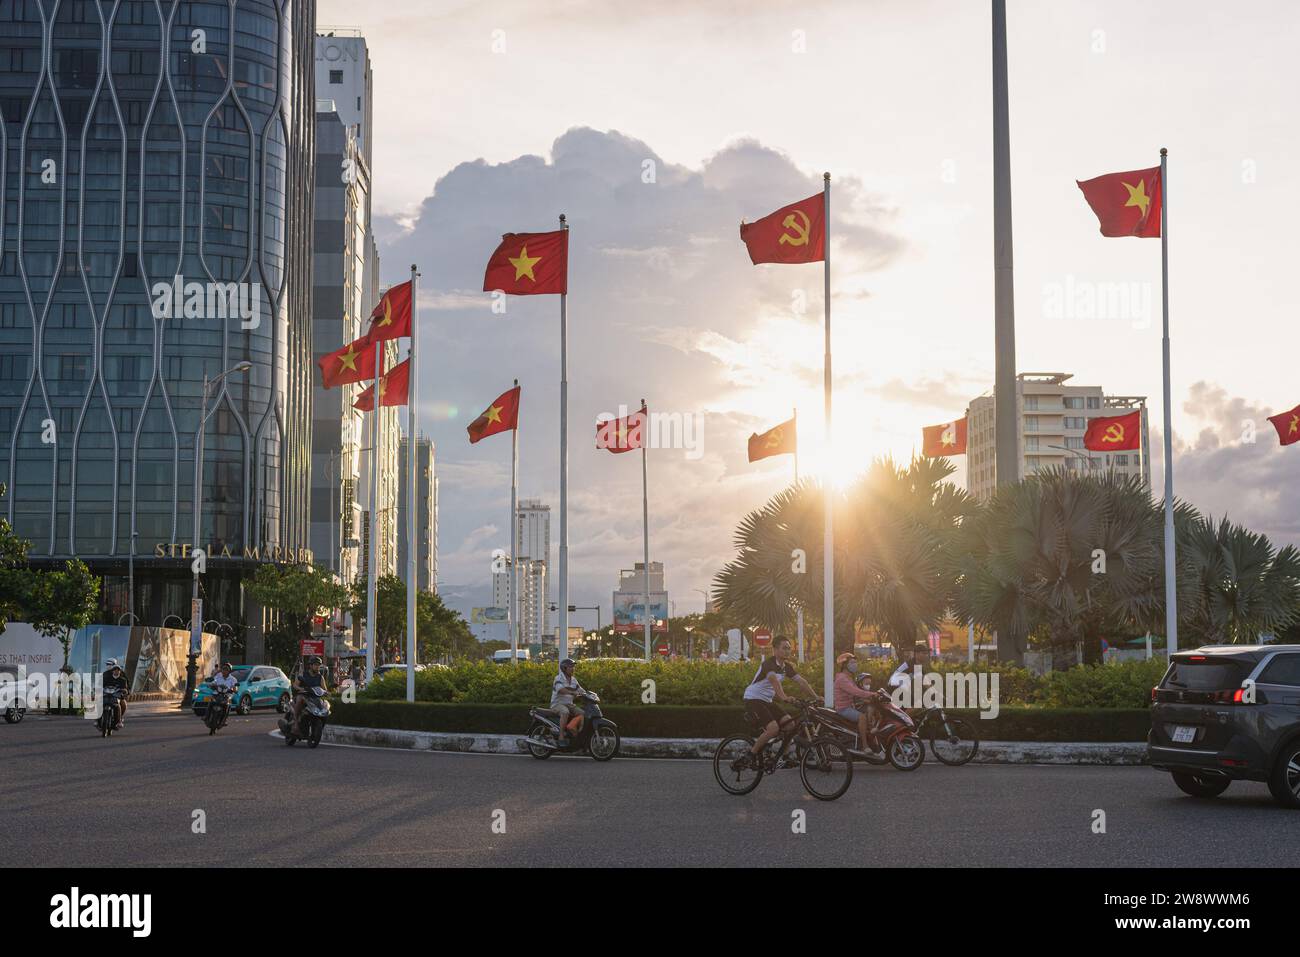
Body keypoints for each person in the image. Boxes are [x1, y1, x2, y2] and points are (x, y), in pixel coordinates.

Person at [734, 636, 819, 769]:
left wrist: (816, 696)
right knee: (773, 728)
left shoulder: (786, 667)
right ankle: (751, 755)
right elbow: (774, 680)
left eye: (789, 648)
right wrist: (784, 697)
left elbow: (801, 681)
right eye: (784, 648)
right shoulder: (769, 664)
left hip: (766, 701)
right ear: (775, 649)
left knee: (790, 724)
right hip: (753, 698)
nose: (787, 651)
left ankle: (784, 757)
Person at [833, 652, 881, 756]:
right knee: (862, 717)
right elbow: (856, 692)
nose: (855, 664)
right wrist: (872, 694)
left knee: (871, 711)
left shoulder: (848, 677)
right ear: (845, 665)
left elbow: (856, 694)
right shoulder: (842, 679)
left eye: (855, 662)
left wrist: (869, 699)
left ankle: (873, 740)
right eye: (852, 662)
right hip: (843, 709)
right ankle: (865, 746)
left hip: (850, 706)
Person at [550, 658, 585, 746]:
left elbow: (581, 690)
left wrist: (589, 694)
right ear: (564, 668)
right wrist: (572, 692)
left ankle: (574, 732)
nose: (573, 668)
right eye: (570, 667)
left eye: (573, 667)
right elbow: (561, 689)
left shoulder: (573, 680)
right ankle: (561, 737)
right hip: (557, 704)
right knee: (565, 712)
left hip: (569, 704)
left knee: (582, 713)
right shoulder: (558, 678)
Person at [291, 656, 329, 726]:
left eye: (319, 665)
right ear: (310, 665)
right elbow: (295, 685)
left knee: (325, 705)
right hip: (304, 695)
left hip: (315, 697)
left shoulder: (320, 677)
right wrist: (302, 689)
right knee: (299, 700)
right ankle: (295, 723)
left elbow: (324, 689)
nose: (317, 667)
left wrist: (326, 692)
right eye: (315, 665)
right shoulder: (303, 674)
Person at [102, 658, 129, 728]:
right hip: (106, 693)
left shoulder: (123, 675)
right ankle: (97, 719)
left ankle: (119, 719)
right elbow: (100, 684)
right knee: (98, 702)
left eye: (110, 664)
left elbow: (127, 686)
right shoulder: (105, 674)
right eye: (107, 664)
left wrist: (125, 691)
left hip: (117, 694)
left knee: (123, 705)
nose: (108, 666)